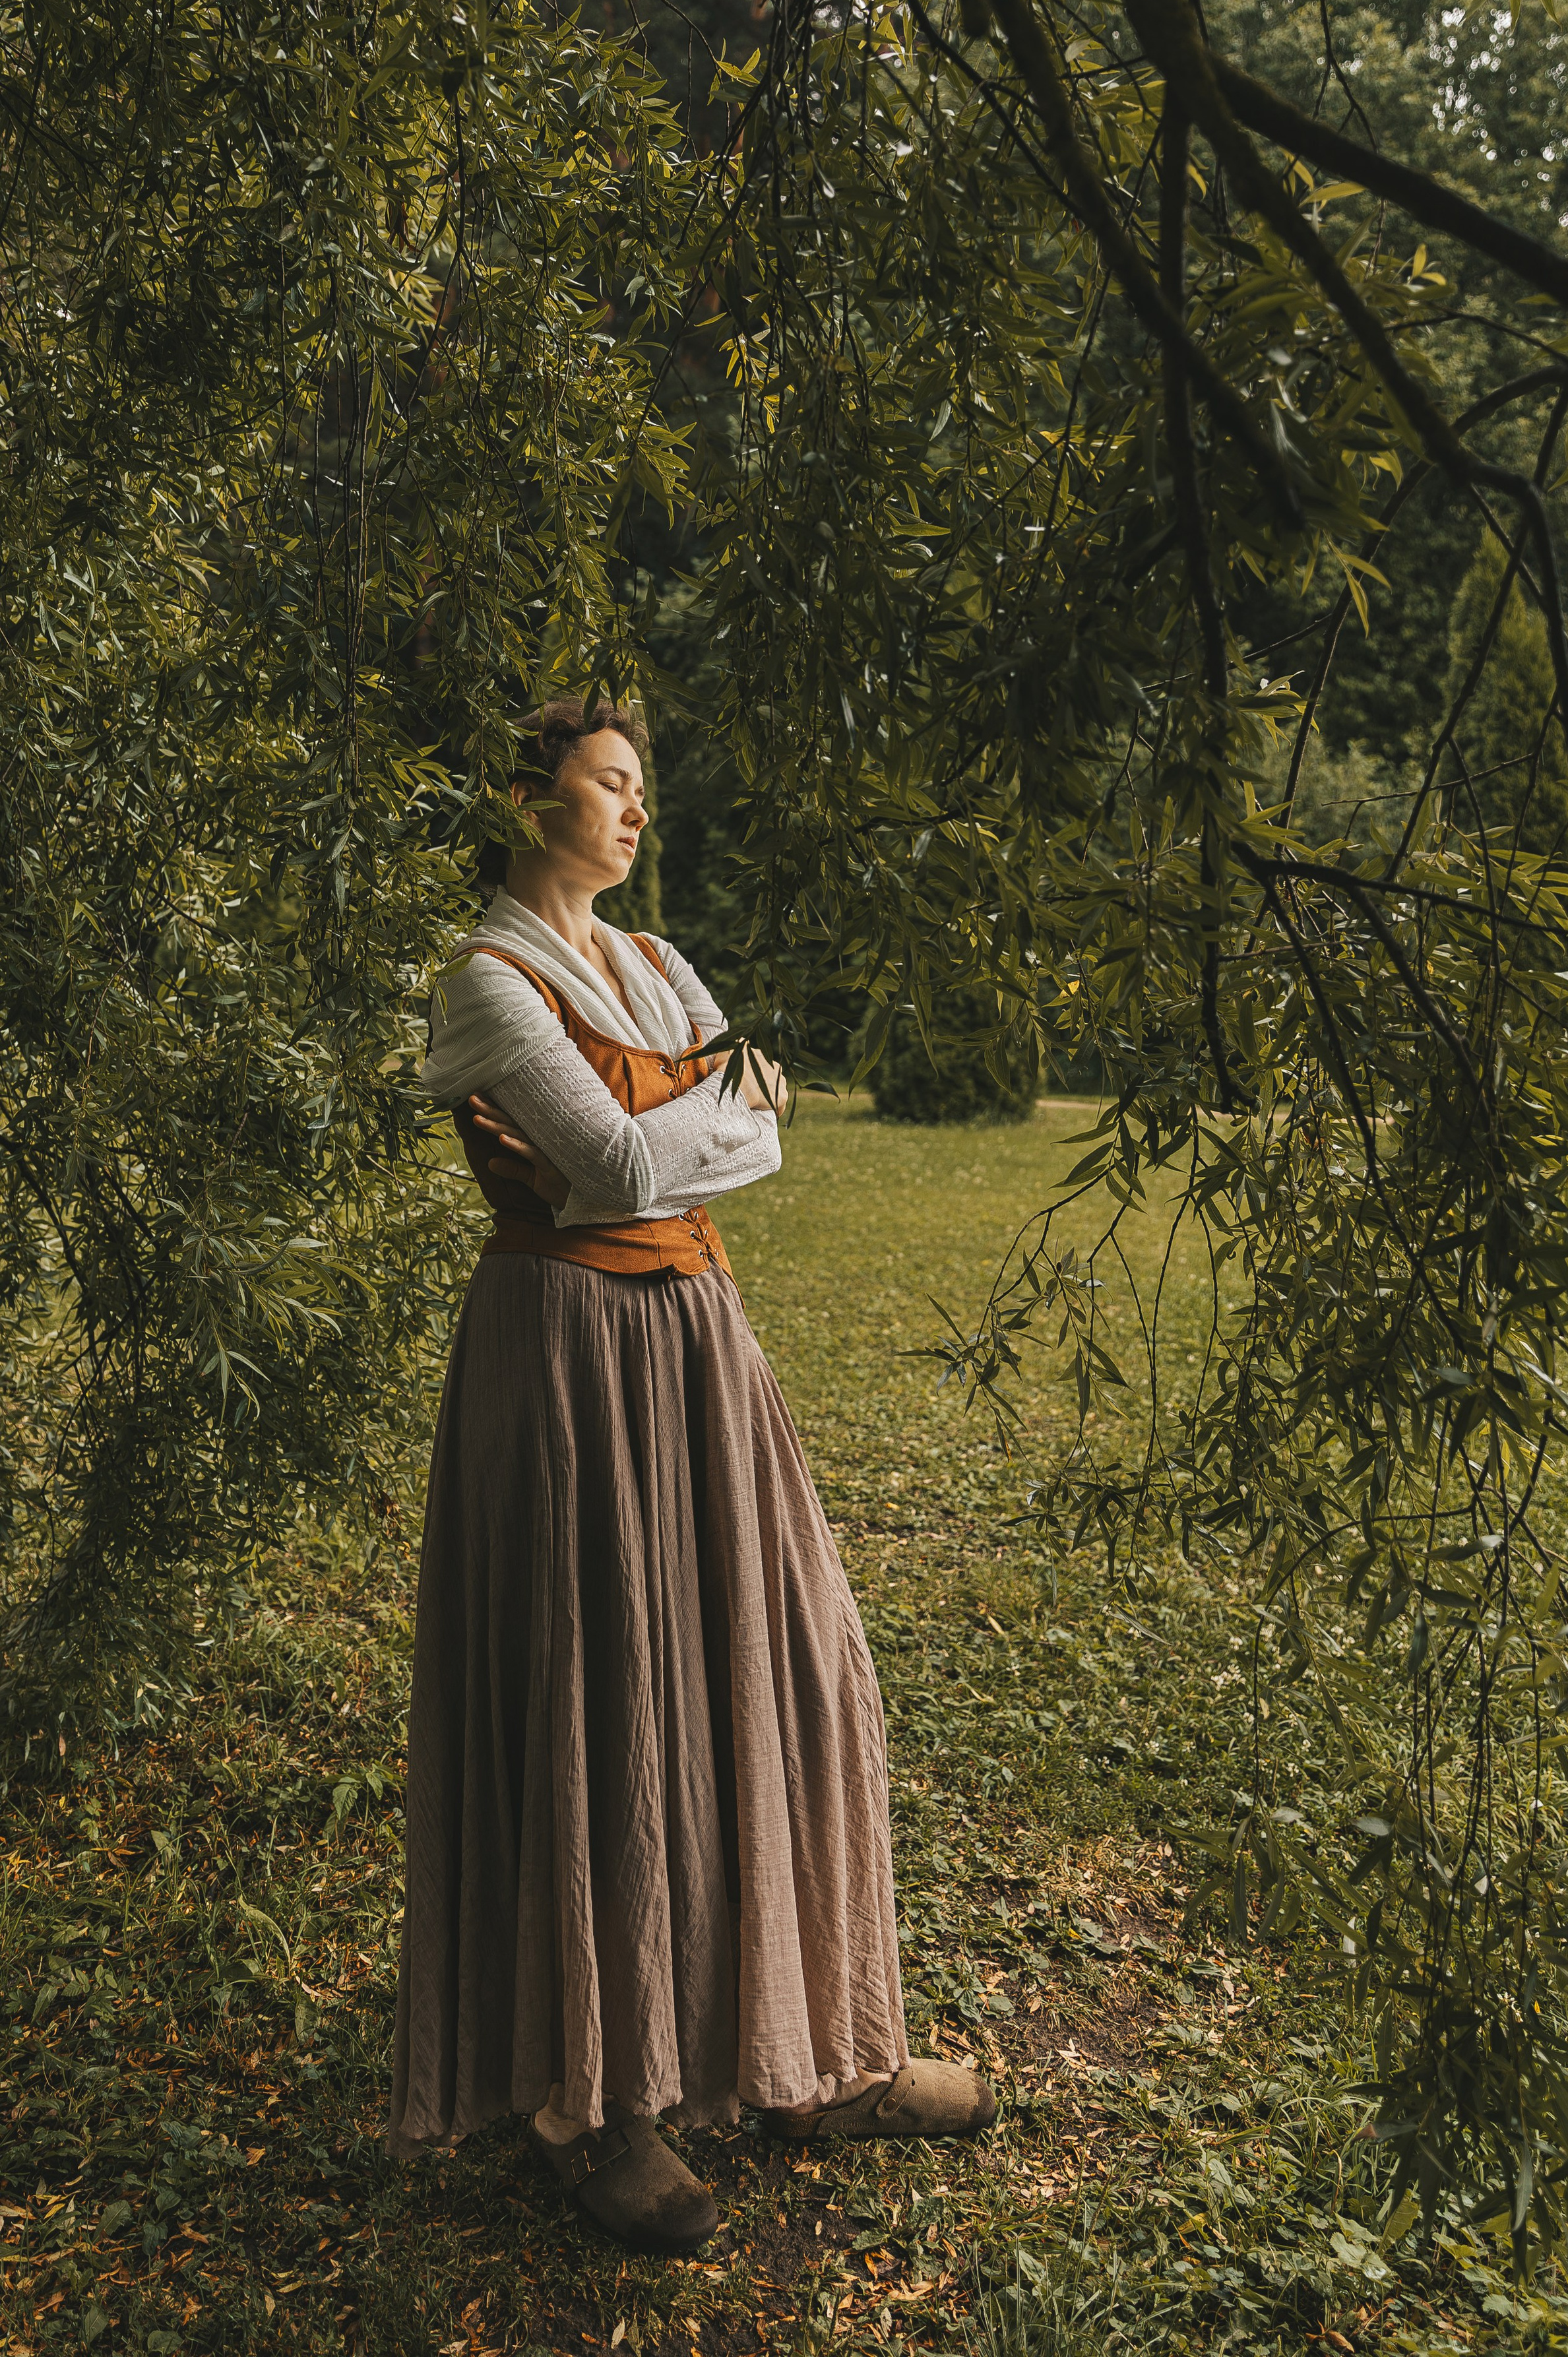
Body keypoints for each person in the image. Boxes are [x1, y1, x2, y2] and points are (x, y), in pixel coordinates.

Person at [387, 697, 996, 2252]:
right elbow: (618, 1166)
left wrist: (687, 1126)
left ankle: (813, 2058)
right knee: (605, 1698)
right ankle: (597, 2106)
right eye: (609, 782)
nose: (635, 807)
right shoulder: (483, 982)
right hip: (567, 1356)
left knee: (789, 1662)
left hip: (695, 1336)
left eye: (643, 784)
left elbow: (727, 1148)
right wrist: (710, 1112)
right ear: (532, 801)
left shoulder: (654, 968)